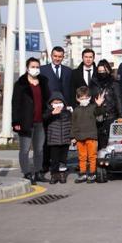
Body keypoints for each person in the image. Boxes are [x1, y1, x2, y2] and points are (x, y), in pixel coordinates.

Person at [12, 57, 50, 184]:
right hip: (25, 122)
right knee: (25, 149)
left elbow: (47, 101)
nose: (35, 69)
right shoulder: (20, 84)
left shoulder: (43, 82)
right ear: (27, 68)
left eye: (37, 67)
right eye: (33, 67)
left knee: (39, 149)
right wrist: (16, 122)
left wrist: (49, 112)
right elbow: (15, 104)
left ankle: (38, 172)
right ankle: (27, 172)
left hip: (40, 121)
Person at [39, 46, 72, 177]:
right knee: (48, 138)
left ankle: (61, 165)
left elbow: (70, 89)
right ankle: (45, 165)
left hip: (64, 111)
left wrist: (69, 107)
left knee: (63, 139)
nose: (57, 58)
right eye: (55, 56)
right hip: (48, 110)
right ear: (51, 56)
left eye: (60, 56)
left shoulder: (68, 71)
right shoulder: (42, 70)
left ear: (63, 57)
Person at [71, 86, 105, 183]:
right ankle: (82, 174)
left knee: (92, 156)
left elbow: (100, 113)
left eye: (86, 98)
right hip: (79, 137)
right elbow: (73, 124)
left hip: (91, 136)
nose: (84, 100)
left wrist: (99, 105)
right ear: (77, 99)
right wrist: (72, 136)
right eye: (82, 98)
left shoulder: (93, 107)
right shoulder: (76, 110)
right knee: (82, 157)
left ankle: (92, 174)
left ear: (90, 97)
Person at [43, 91, 72, 184]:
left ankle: (62, 174)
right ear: (51, 103)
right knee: (54, 160)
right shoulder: (48, 113)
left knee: (63, 160)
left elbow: (72, 125)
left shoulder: (67, 113)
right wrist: (52, 114)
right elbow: (43, 120)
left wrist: (72, 137)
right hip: (53, 140)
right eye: (55, 103)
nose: (57, 104)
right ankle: (54, 175)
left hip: (65, 140)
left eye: (59, 102)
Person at [94, 59, 122, 148]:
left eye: (103, 71)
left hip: (112, 117)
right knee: (100, 145)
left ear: (108, 70)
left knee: (112, 144)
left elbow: (119, 101)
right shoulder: (94, 83)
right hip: (98, 117)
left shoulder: (114, 83)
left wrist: (121, 117)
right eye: (99, 71)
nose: (102, 73)